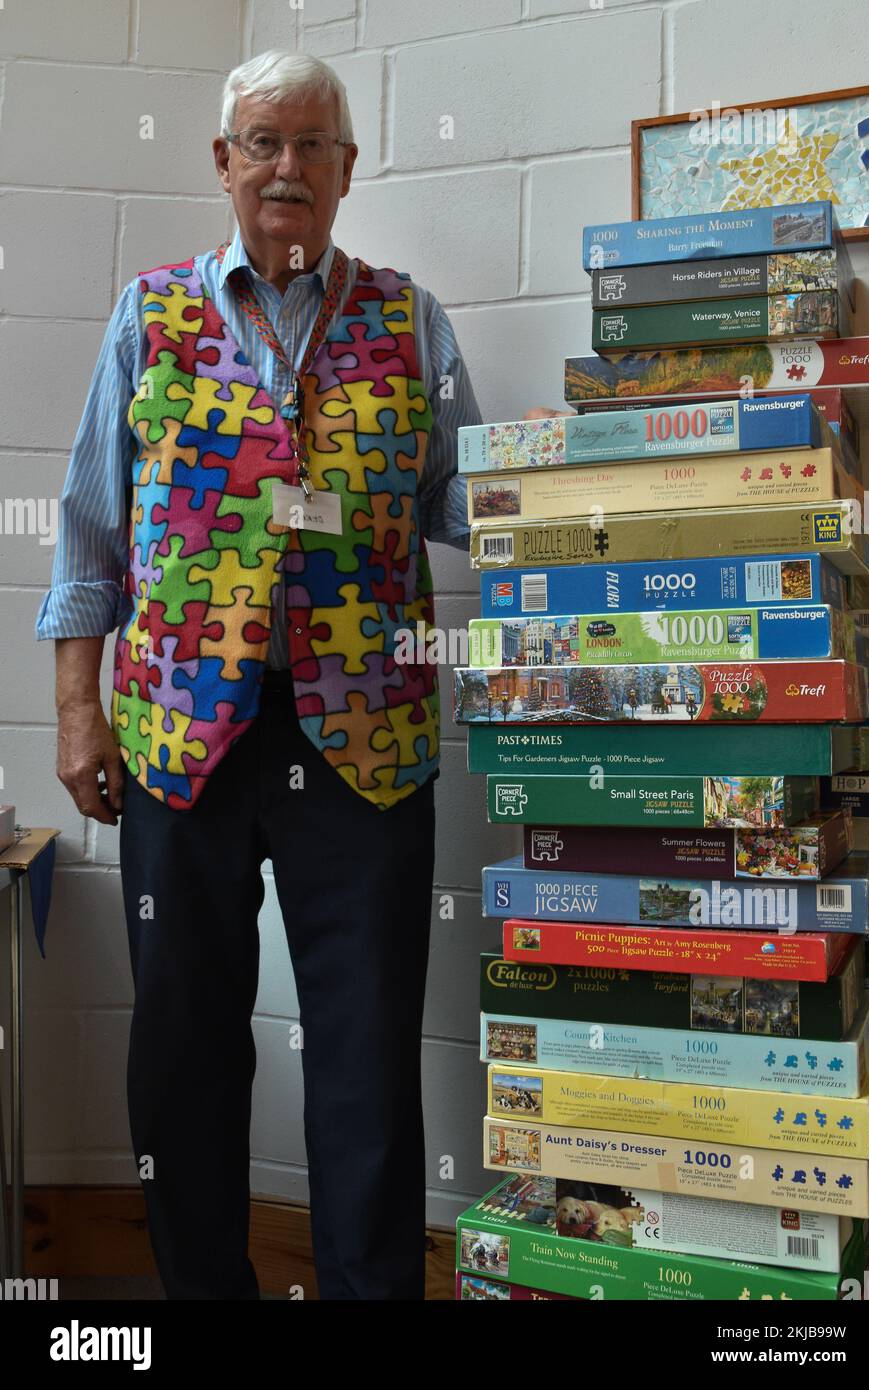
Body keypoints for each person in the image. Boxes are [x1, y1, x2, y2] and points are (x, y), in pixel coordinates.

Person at [35, 48, 560, 1302]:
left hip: (364, 738)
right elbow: (90, 529)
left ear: (345, 170)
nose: (286, 166)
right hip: (177, 733)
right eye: (262, 142)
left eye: (312, 144)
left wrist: (609, 500)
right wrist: (75, 708)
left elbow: (466, 505)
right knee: (183, 1044)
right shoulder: (146, 316)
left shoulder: (407, 316)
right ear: (223, 161)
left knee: (366, 1041)